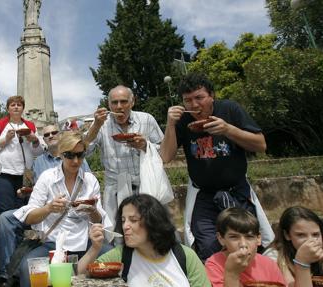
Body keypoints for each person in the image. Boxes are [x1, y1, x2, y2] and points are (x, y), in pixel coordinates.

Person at [159, 72, 274, 260]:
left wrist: (229, 129)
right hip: (204, 196)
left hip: (238, 191)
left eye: (199, 97)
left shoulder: (229, 109)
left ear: (212, 95)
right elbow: (165, 156)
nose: (194, 105)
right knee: (208, 249)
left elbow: (261, 145)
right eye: (187, 100)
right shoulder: (183, 120)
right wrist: (170, 124)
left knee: (247, 246)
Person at [14, 131, 113, 287]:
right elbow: (29, 217)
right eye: (69, 155)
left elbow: (98, 220)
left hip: (84, 242)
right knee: (27, 269)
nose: (75, 161)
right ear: (60, 154)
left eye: (80, 155)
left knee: (114, 257)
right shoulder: (47, 178)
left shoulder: (90, 180)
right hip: (53, 245)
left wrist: (92, 210)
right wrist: (49, 208)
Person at [0, 125, 90, 284]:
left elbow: (85, 185)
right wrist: (26, 192)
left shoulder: (79, 160)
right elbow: (37, 189)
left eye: (54, 132)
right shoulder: (39, 162)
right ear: (43, 139)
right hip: (45, 209)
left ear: (61, 136)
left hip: (69, 214)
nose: (51, 136)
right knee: (5, 218)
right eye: (46, 135)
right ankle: (9, 272)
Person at [78, 194, 211, 287]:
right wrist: (95, 248)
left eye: (133, 220)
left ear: (153, 221)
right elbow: (79, 275)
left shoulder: (185, 256)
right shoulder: (121, 255)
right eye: (123, 220)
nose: (125, 226)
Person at [84, 85, 164, 225]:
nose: (119, 107)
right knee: (119, 235)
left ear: (132, 102)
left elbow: (164, 150)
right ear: (108, 104)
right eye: (114, 103)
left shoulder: (146, 119)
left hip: (145, 186)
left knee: (151, 230)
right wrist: (96, 126)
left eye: (124, 101)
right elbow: (84, 152)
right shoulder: (101, 124)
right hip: (115, 191)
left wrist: (146, 146)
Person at [0, 95, 43, 218]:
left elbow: (38, 152)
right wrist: (6, 139)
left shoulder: (30, 126)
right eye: (13, 105)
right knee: (5, 210)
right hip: (3, 173)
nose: (16, 107)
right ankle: (4, 237)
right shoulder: (0, 125)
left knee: (23, 210)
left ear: (23, 108)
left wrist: (34, 140)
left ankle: (18, 237)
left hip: (24, 175)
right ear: (8, 109)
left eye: (19, 105)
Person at [205, 207, 286, 286]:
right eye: (234, 237)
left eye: (249, 237)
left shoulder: (269, 264)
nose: (243, 244)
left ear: (258, 239)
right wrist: (232, 274)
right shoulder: (214, 265)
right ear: (221, 238)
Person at [263, 206, 323, 286]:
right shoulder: (274, 257)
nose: (310, 241)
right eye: (301, 235)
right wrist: (302, 262)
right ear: (287, 235)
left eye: (315, 234)